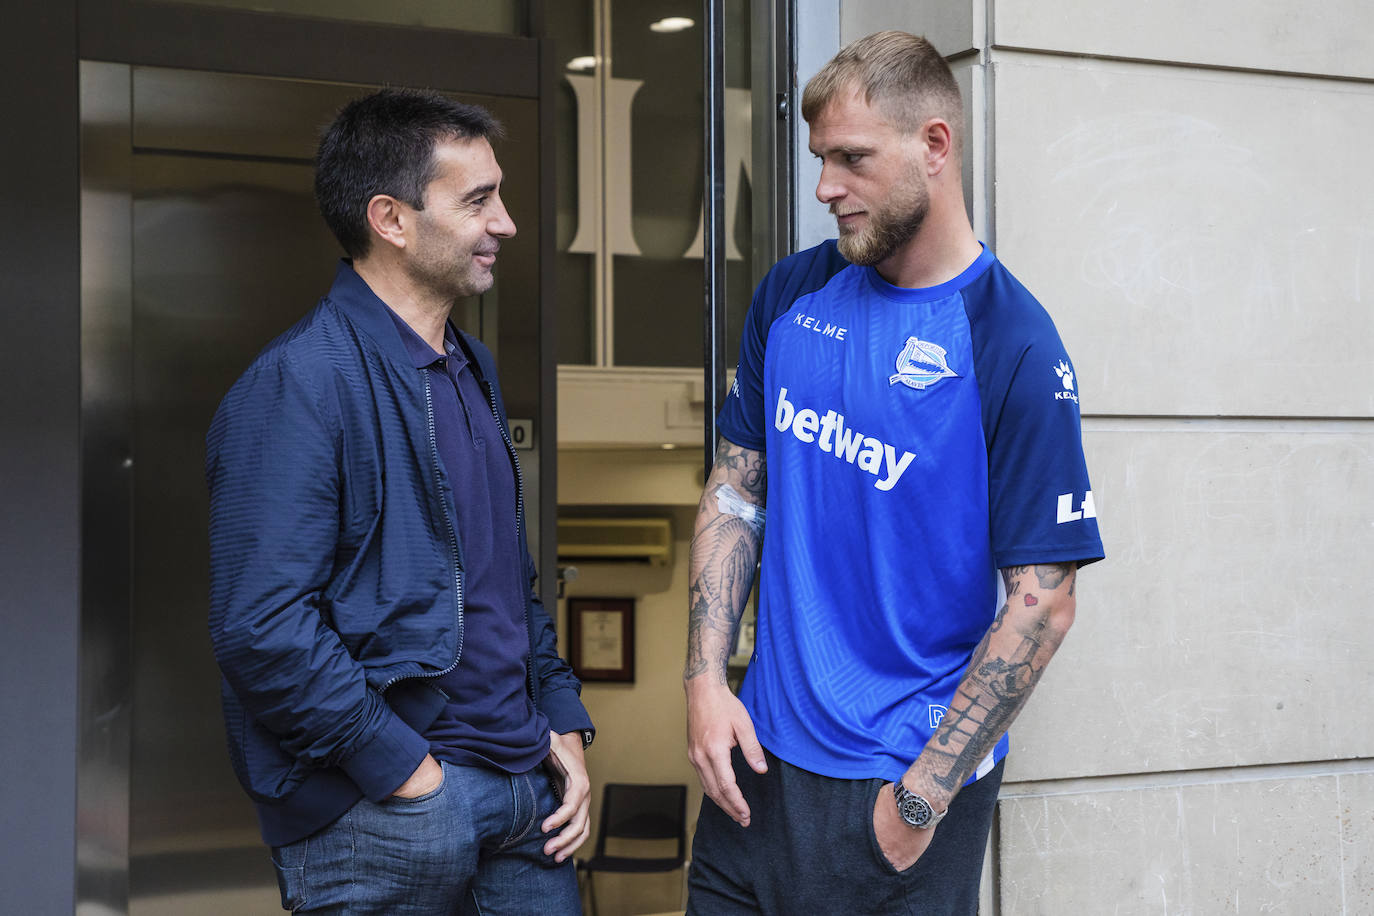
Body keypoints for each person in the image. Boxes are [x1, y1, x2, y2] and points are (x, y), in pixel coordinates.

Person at [684, 31, 1104, 915]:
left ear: (935, 147)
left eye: (852, 158)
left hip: (895, 792)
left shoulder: (1012, 344)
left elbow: (1043, 599)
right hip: (758, 770)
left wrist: (919, 801)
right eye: (820, 159)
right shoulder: (790, 295)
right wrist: (704, 680)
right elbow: (736, 489)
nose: (825, 187)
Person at [207, 88, 594, 915]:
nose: (507, 224)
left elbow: (506, 583)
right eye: (479, 200)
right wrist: (404, 771)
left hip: (526, 796)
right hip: (387, 810)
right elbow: (262, 626)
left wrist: (561, 723)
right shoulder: (297, 384)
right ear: (391, 218)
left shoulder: (472, 367)